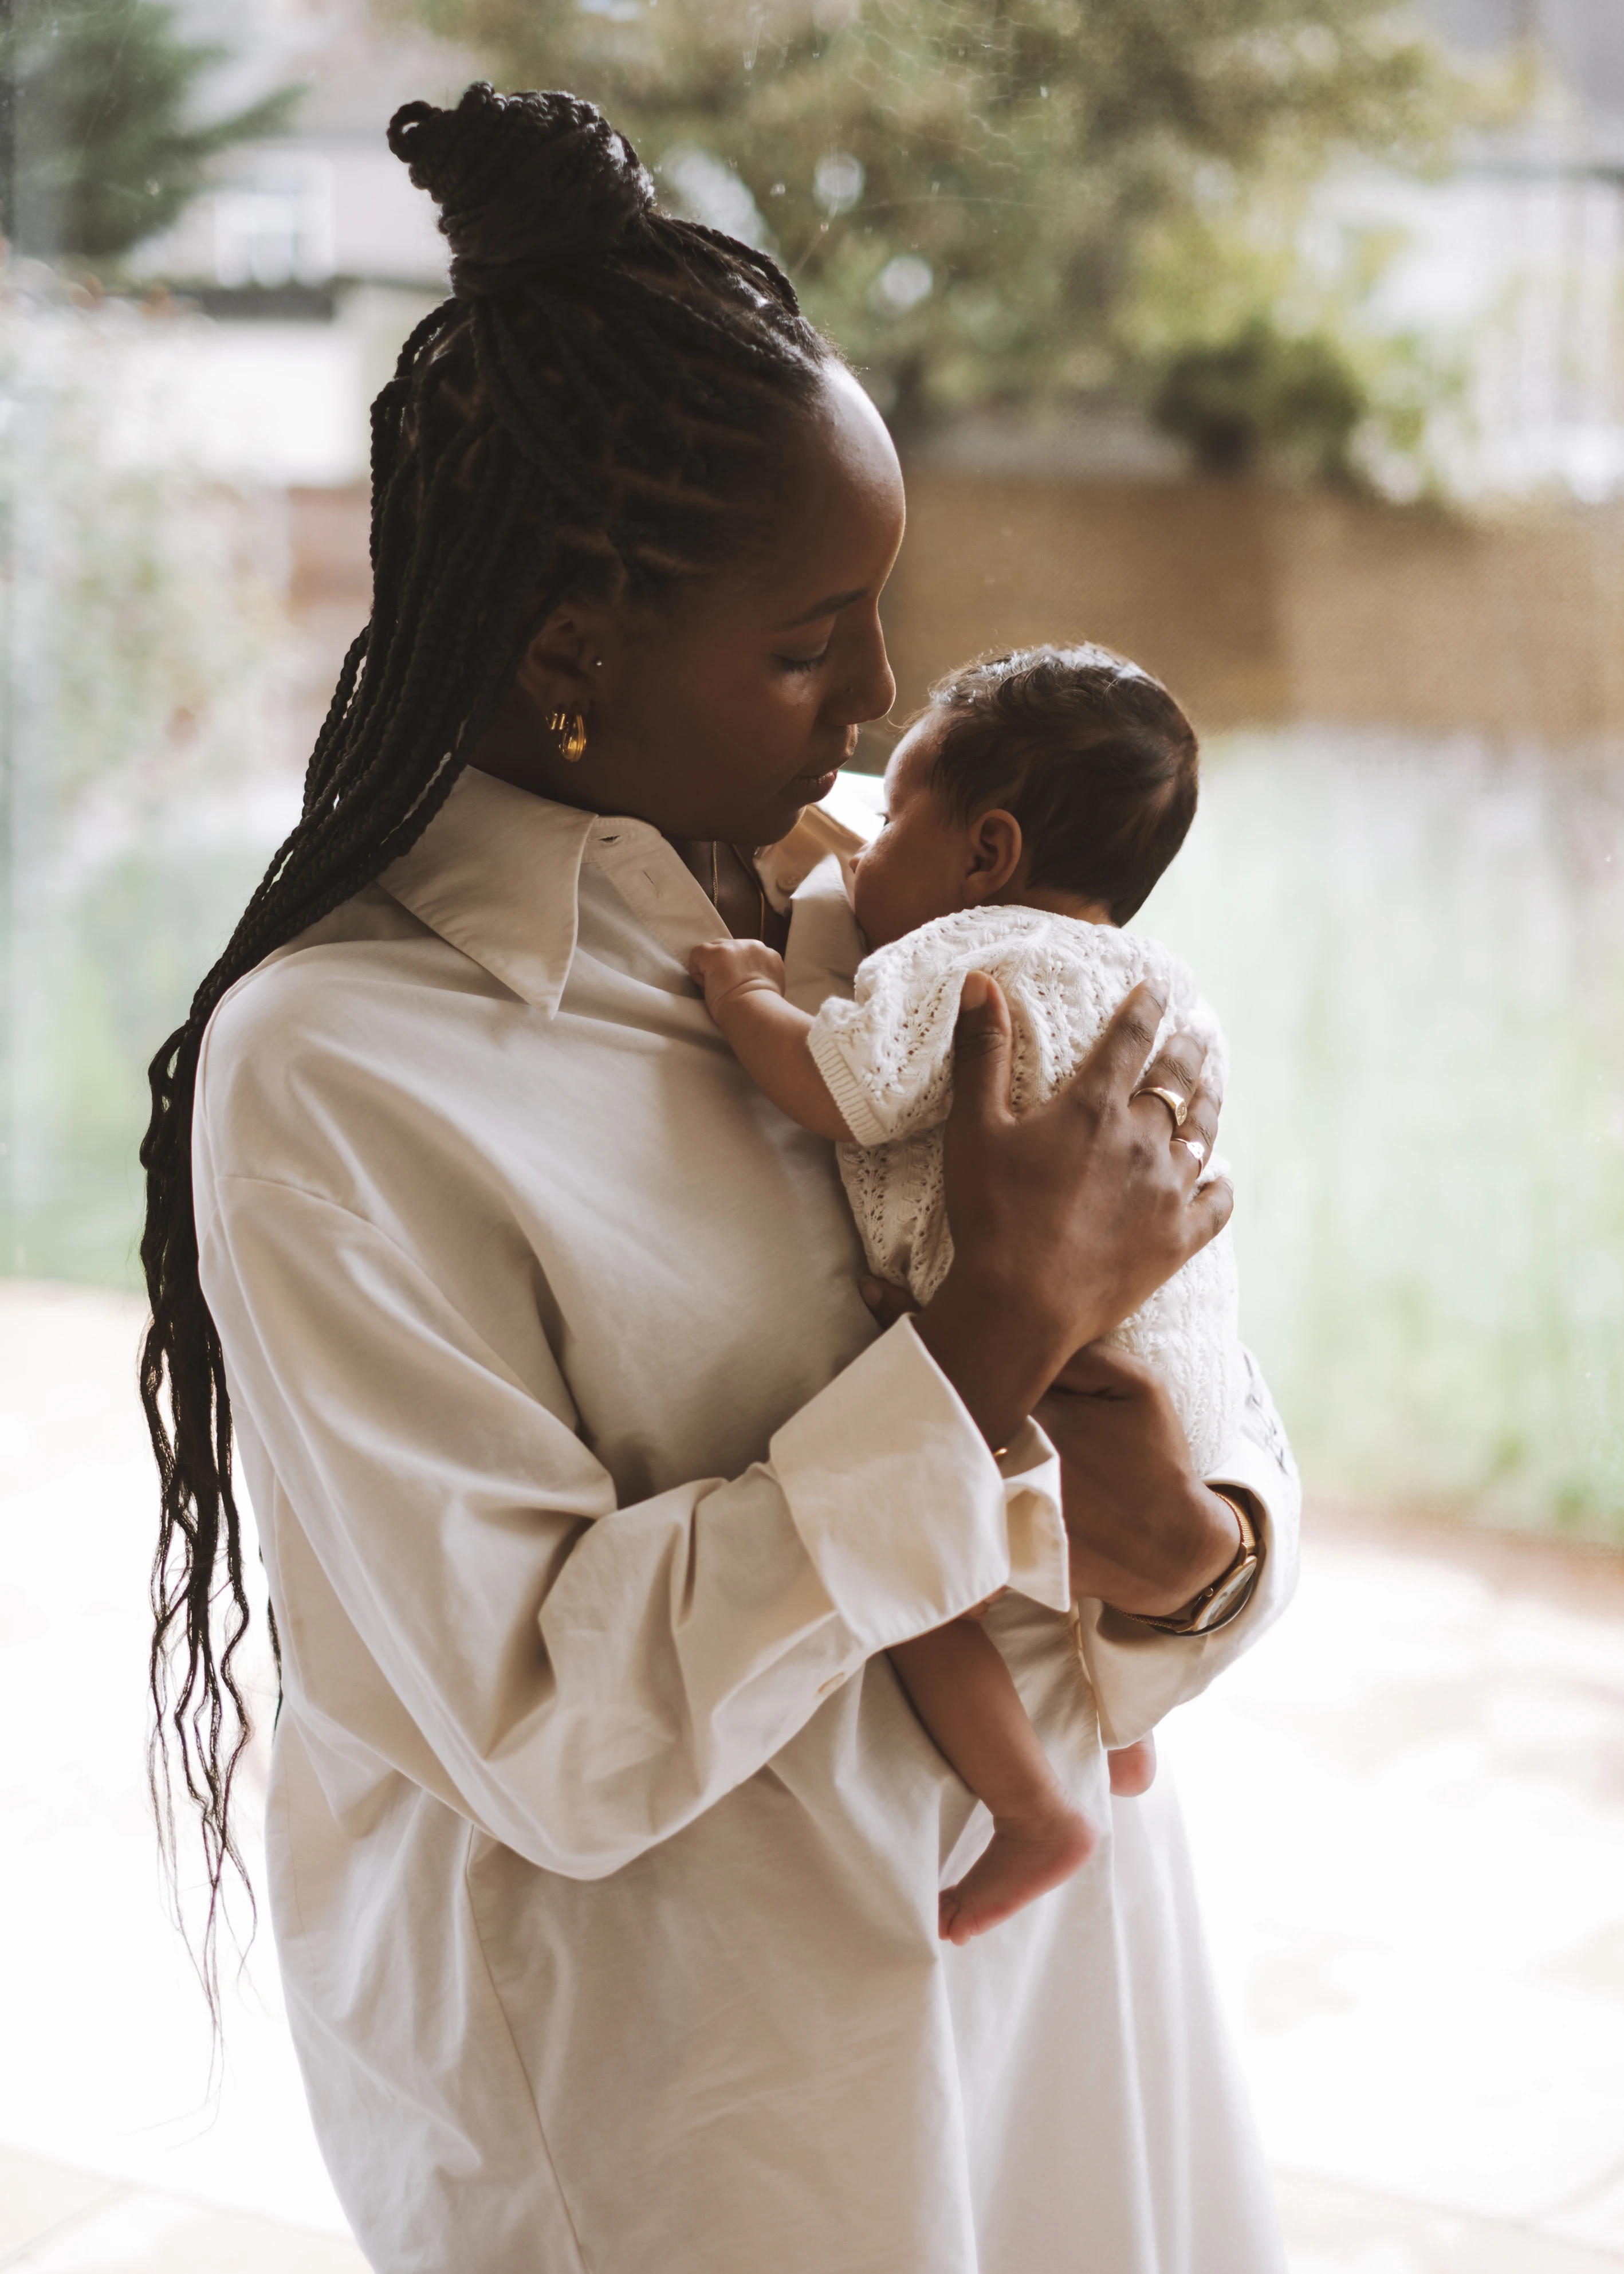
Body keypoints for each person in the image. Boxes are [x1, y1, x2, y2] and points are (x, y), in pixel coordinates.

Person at [138, 84, 1299, 2274]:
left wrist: (1193, 1550)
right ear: (573, 659)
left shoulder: (912, 904)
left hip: (1070, 1985)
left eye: (882, 612)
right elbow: (551, 1725)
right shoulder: (346, 1073)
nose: (876, 694)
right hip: (719, 2106)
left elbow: (1191, 1383)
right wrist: (977, 1352)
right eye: (805, 638)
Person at [689, 643, 1248, 1949]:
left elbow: (845, 1086)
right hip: (1177, 1384)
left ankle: (1032, 1804)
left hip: (1043, 1376)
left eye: (893, 823)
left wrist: (746, 990)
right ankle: (1118, 1734)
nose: (864, 848)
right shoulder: (1162, 985)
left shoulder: (967, 955)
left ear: (987, 854)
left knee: (903, 1567)